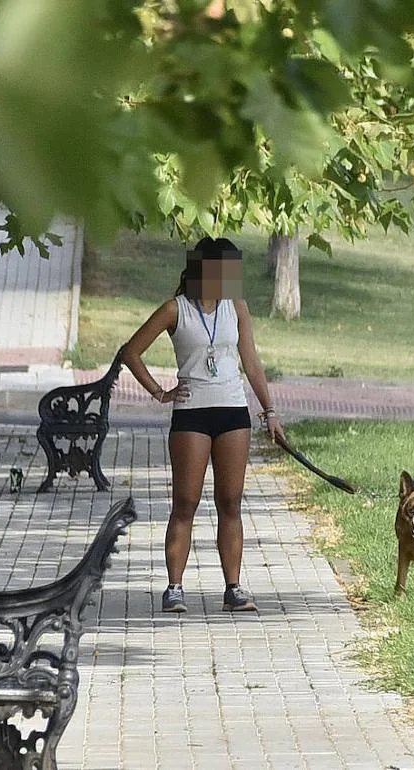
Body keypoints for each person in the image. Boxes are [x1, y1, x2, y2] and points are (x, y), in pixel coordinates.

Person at [122, 236, 286, 613]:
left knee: (230, 502)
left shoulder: (237, 307)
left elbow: (252, 362)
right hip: (192, 413)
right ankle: (174, 587)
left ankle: (233, 588)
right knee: (186, 502)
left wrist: (269, 411)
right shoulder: (175, 309)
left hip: (233, 411)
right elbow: (131, 352)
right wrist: (160, 392)